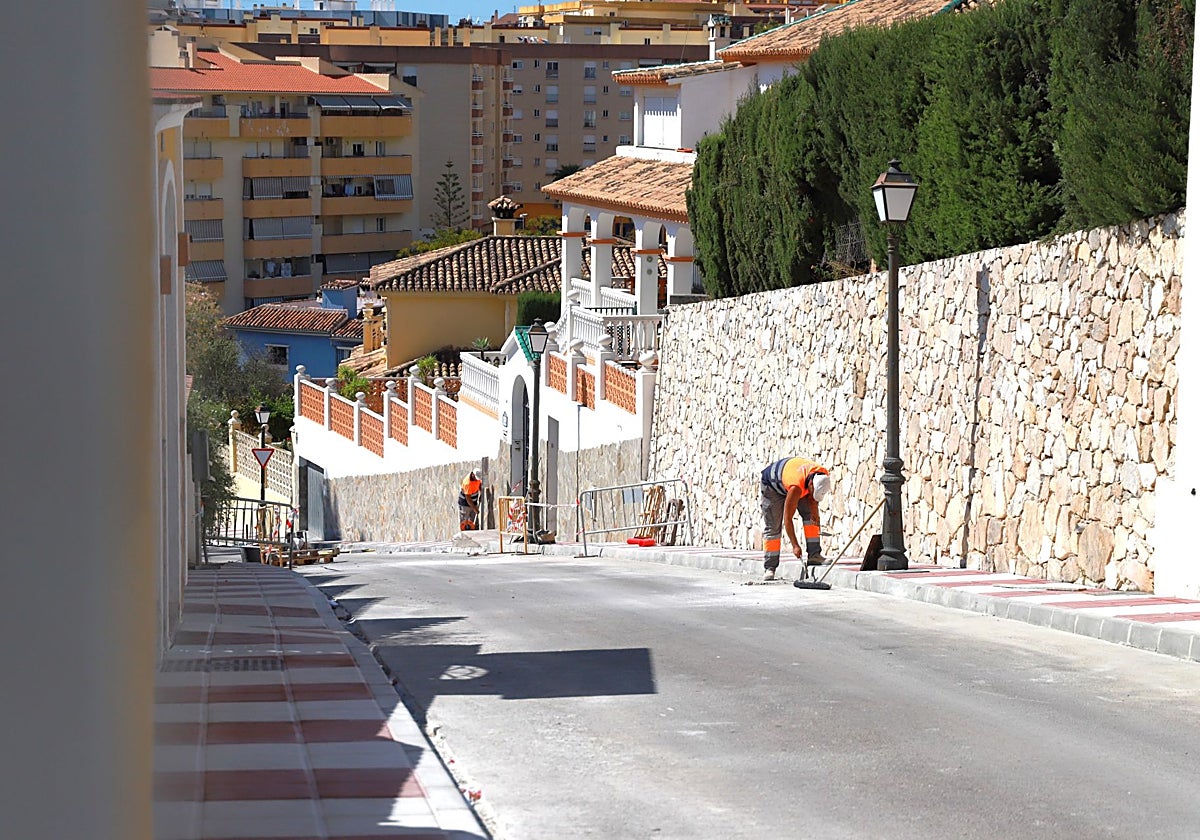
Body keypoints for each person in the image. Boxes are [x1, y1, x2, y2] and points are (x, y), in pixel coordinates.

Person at [760, 457, 831, 580]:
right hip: (772, 487)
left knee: (811, 517)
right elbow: (787, 519)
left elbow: (814, 497)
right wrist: (795, 545)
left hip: (797, 480)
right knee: (773, 526)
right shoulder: (796, 487)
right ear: (810, 485)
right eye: (812, 492)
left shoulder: (822, 476)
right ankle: (770, 567)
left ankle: (814, 555)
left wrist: (815, 512)